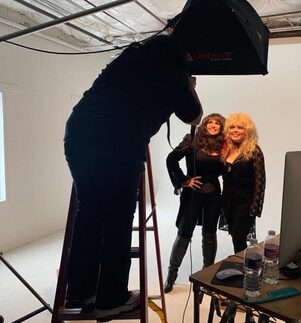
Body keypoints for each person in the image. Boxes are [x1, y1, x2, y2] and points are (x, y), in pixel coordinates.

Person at [63, 34, 202, 321]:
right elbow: (194, 116)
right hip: (118, 142)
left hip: (78, 132)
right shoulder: (174, 75)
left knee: (89, 210)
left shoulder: (130, 57)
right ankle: (111, 298)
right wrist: (190, 85)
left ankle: (80, 290)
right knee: (116, 219)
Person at [164, 113, 225, 293]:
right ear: (204, 124)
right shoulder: (192, 140)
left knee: (209, 235)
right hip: (193, 194)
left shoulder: (223, 145)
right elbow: (171, 159)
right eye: (210, 122)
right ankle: (171, 274)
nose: (213, 125)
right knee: (184, 234)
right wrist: (184, 181)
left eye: (217, 123)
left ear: (222, 127)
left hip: (214, 194)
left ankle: (207, 276)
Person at [221, 113, 266, 254]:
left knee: (239, 237)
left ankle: (244, 266)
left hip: (246, 203)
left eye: (239, 127)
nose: (235, 130)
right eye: (232, 127)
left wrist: (255, 208)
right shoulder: (225, 149)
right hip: (228, 201)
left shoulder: (254, 151)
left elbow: (261, 181)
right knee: (235, 237)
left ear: (247, 130)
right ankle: (243, 263)